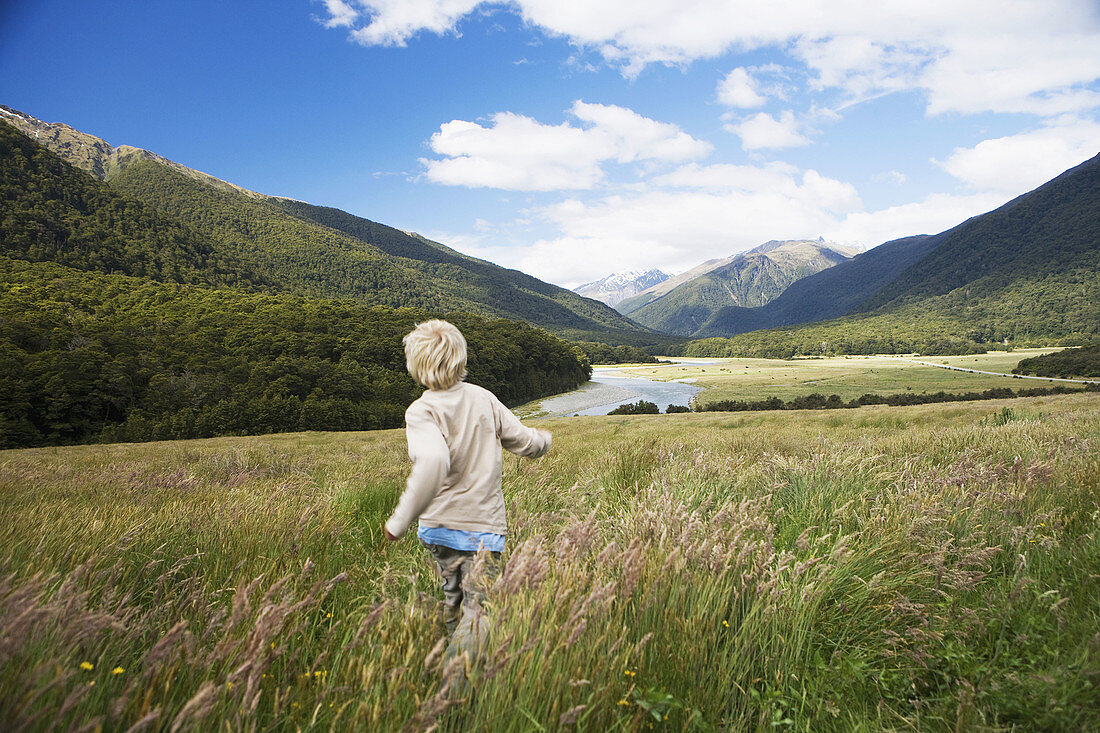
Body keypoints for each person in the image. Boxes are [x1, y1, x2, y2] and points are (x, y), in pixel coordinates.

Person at [383, 319, 552, 690]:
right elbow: (524, 442)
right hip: (484, 531)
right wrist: (544, 440)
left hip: (438, 530)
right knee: (480, 609)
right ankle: (455, 691)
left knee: (453, 601)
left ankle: (449, 671)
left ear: (416, 366)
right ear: (461, 360)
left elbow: (430, 463)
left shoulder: (421, 411)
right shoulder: (483, 398)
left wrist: (401, 520)